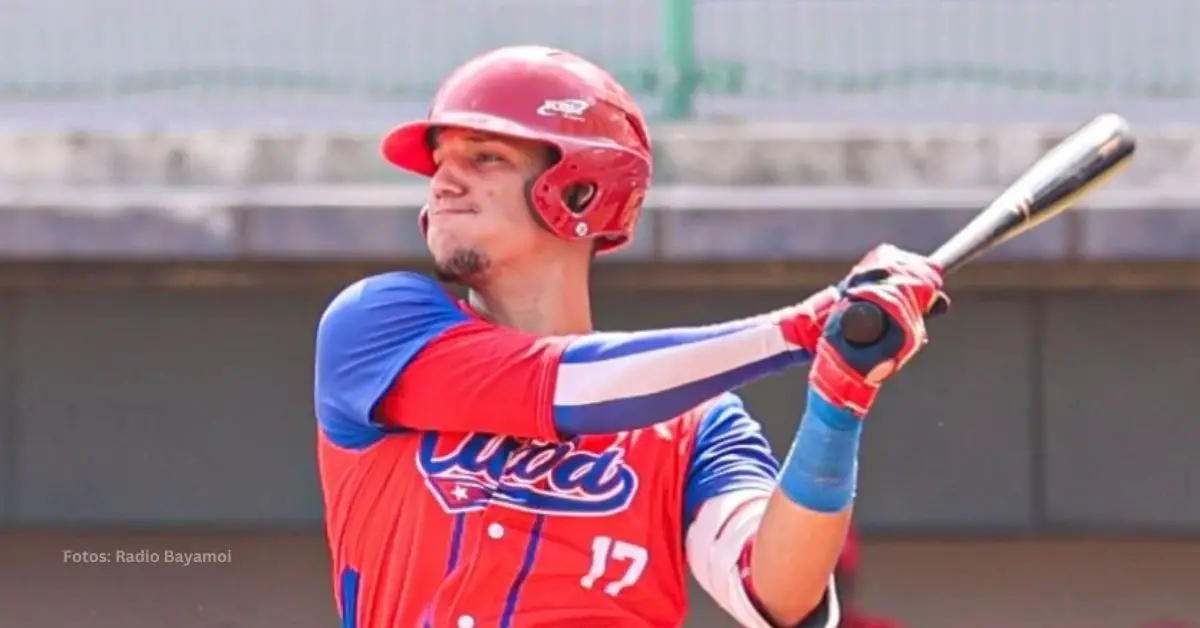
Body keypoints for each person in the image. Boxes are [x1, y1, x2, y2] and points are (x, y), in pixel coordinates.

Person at [313, 45, 948, 628]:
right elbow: (561, 383)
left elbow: (775, 593)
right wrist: (796, 329)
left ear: (583, 188)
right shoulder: (378, 324)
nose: (444, 182)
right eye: (441, 161)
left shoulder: (696, 424)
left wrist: (839, 401)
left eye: (485, 157)